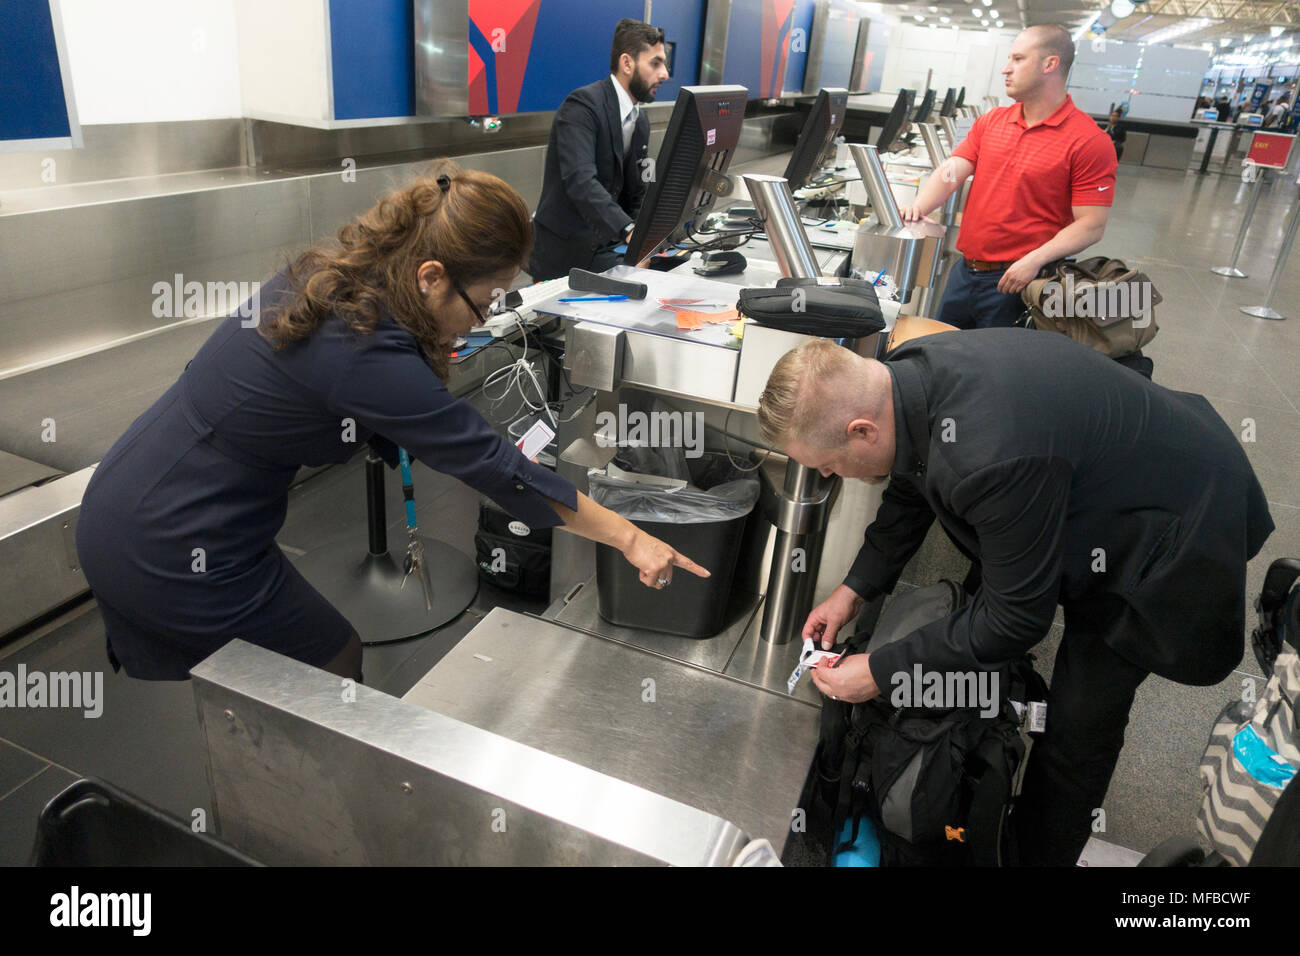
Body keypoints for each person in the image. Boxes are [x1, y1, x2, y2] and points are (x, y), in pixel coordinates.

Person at [76, 160, 708, 683]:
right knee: (330, 659)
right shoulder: (359, 343)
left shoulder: (349, 281)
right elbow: (494, 468)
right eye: (483, 302)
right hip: (170, 532)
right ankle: (303, 805)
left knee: (263, 672)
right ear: (431, 275)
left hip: (144, 490)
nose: (481, 321)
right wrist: (630, 537)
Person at [757, 333, 1274, 866]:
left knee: (1079, 723)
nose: (826, 475)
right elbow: (912, 484)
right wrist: (854, 589)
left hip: (1174, 526)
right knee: (983, 624)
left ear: (861, 429)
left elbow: (1017, 618)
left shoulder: (986, 455)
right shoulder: (901, 377)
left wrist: (881, 670)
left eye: (826, 463)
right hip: (1106, 470)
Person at [899, 25, 1117, 330]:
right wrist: (919, 206)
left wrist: (1035, 260)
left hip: (1019, 281)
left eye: (1017, 59)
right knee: (938, 354)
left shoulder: (1089, 141)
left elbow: (1092, 225)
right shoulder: (992, 121)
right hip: (964, 273)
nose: (1006, 68)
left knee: (995, 371)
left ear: (1050, 64)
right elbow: (952, 171)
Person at [528, 19, 670, 281]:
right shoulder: (582, 107)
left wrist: (645, 241)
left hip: (603, 245)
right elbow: (581, 181)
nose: (665, 74)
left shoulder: (639, 121)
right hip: (565, 254)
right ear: (627, 63)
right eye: (655, 63)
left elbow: (638, 191)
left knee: (664, 273)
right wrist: (627, 228)